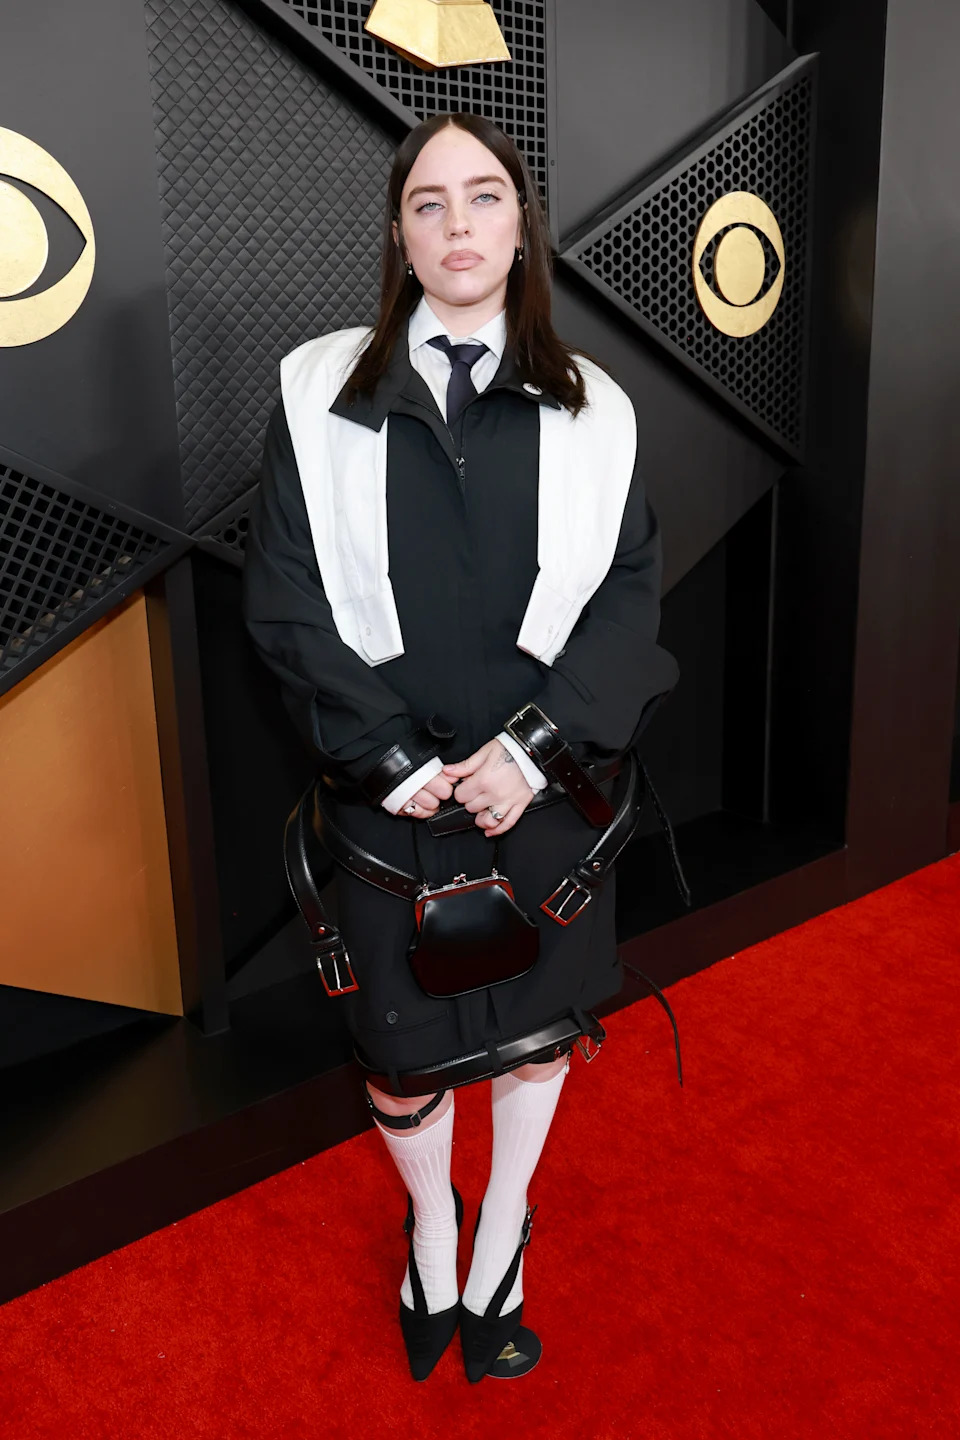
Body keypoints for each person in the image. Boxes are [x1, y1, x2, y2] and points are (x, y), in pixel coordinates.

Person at [241, 111, 680, 1383]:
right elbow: (280, 598)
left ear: (520, 222)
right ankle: (432, 1214)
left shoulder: (596, 409)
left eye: (483, 198)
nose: (458, 225)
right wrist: (388, 759)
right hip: (387, 792)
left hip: (542, 791)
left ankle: (504, 1222)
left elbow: (630, 603)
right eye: (428, 204)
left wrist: (535, 750)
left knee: (536, 1031)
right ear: (399, 231)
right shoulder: (316, 389)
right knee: (401, 1046)